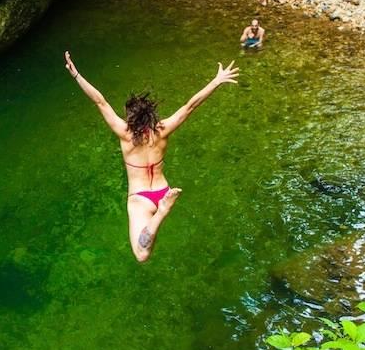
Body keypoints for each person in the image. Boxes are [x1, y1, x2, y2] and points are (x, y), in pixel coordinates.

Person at [63, 51, 239, 262]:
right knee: (143, 251)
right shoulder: (162, 130)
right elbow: (190, 106)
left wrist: (77, 75)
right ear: (150, 115)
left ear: (130, 117)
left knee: (141, 254)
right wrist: (216, 81)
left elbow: (100, 102)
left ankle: (162, 212)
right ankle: (163, 208)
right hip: (162, 189)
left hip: (141, 198)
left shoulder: (125, 133)